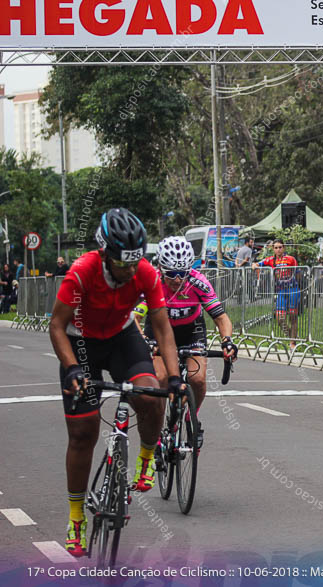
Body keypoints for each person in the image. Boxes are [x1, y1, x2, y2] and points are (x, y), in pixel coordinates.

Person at [48, 208, 184, 557]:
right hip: (81, 343)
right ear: (104, 253)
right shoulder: (81, 273)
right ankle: (76, 516)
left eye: (135, 262)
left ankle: (146, 455)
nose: (130, 271)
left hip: (122, 338)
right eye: (123, 264)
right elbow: (56, 327)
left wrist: (174, 377)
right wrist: (73, 368)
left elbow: (163, 327)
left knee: (153, 395)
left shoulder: (146, 273)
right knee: (84, 432)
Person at [145, 237, 238, 431]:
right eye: (171, 273)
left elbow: (221, 318)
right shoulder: (151, 282)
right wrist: (143, 341)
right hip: (159, 331)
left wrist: (227, 341)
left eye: (182, 273)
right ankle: (158, 423)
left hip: (191, 330)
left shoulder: (198, 282)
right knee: (161, 378)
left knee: (197, 379)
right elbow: (134, 318)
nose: (177, 279)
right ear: (161, 268)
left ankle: (190, 416)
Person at [252, 240, 299, 340]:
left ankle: (292, 343)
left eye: (280, 247)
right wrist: (254, 265)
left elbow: (299, 273)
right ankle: (293, 336)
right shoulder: (270, 260)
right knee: (279, 319)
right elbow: (258, 264)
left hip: (293, 290)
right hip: (281, 291)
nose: (278, 250)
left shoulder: (291, 259)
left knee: (292, 316)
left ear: (284, 248)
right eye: (276, 247)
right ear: (273, 249)